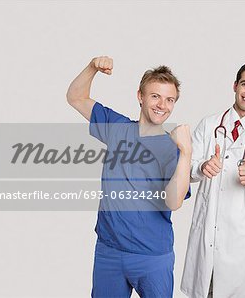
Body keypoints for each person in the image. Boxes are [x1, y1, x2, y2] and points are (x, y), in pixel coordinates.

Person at [66, 56, 191, 298]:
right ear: (140, 96)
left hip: (152, 258)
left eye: (170, 100)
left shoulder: (173, 149)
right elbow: (76, 97)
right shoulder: (117, 127)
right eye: (155, 96)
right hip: (109, 252)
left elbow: (174, 202)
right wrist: (92, 67)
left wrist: (186, 152)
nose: (162, 105)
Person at [181, 60, 245, 297]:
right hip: (207, 232)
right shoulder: (209, 125)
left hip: (242, 241)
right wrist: (202, 166)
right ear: (235, 85)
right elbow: (186, 169)